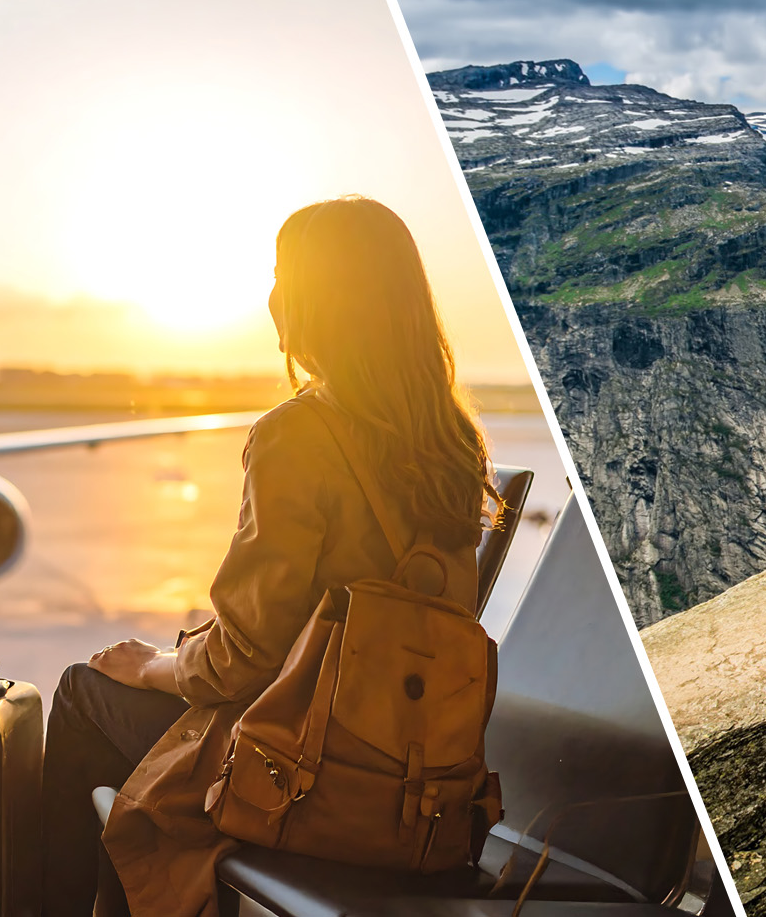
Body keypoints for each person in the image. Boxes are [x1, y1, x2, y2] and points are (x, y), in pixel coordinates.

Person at [38, 196, 503, 917]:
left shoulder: (297, 435)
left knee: (80, 694)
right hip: (416, 797)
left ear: (308, 301)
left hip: (302, 775)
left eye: (281, 275)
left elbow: (244, 661)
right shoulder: (454, 444)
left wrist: (155, 665)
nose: (271, 295)